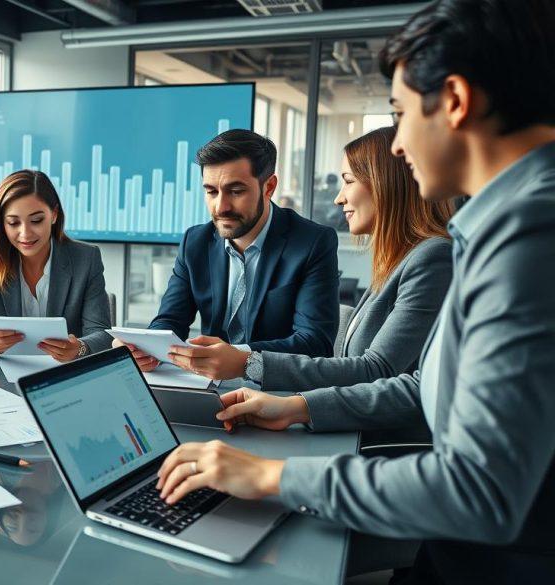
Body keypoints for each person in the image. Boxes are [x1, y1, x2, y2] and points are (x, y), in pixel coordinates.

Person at [154, 0, 555, 582]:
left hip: (502, 559)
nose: (396, 145)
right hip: (459, 545)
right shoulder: (497, 226)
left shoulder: (528, 236)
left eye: (400, 112)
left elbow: (480, 487)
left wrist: (270, 478)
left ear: (456, 102)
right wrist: (296, 407)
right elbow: (426, 385)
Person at [166, 126, 455, 390]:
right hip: (231, 392)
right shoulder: (396, 263)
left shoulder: (428, 258)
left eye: (348, 181)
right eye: (211, 191)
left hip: (370, 432)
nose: (338, 198)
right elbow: (361, 367)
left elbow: (372, 368)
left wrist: (248, 364)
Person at [118, 129, 339, 374]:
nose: (220, 207)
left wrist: (240, 358)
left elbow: (316, 343)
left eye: (236, 191)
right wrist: (143, 347)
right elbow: (170, 320)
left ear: (269, 187)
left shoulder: (312, 242)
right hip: (206, 385)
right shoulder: (195, 242)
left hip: (277, 391)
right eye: (211, 191)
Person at [0, 170, 112, 361]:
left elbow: (102, 333)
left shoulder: (86, 257)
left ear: (54, 215)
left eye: (36, 220)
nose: (25, 234)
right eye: (13, 223)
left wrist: (79, 348)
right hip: (4, 373)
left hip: (65, 374)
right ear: (2, 224)